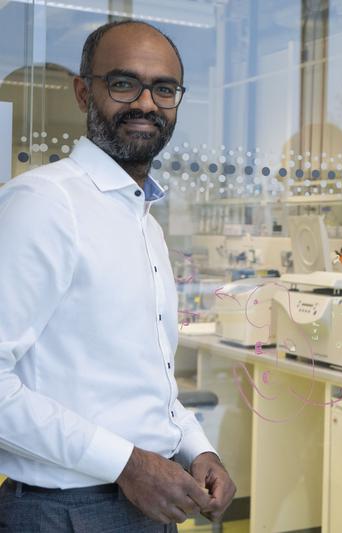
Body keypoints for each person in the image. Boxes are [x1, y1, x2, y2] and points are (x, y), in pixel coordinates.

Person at [0, 20, 236, 531]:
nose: (147, 104)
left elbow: (148, 380)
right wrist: (128, 464)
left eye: (164, 89)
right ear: (86, 91)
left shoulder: (143, 222)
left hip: (151, 498)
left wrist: (198, 449)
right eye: (124, 83)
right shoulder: (46, 204)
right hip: (63, 509)